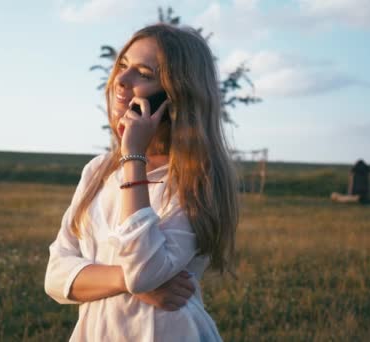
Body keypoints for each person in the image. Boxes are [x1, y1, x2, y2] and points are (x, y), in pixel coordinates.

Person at [44, 23, 239, 342]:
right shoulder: (97, 173)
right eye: (123, 65)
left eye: (144, 74)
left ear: (177, 95)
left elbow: (143, 270)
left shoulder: (193, 180)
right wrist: (126, 281)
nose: (121, 80)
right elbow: (55, 277)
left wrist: (133, 157)